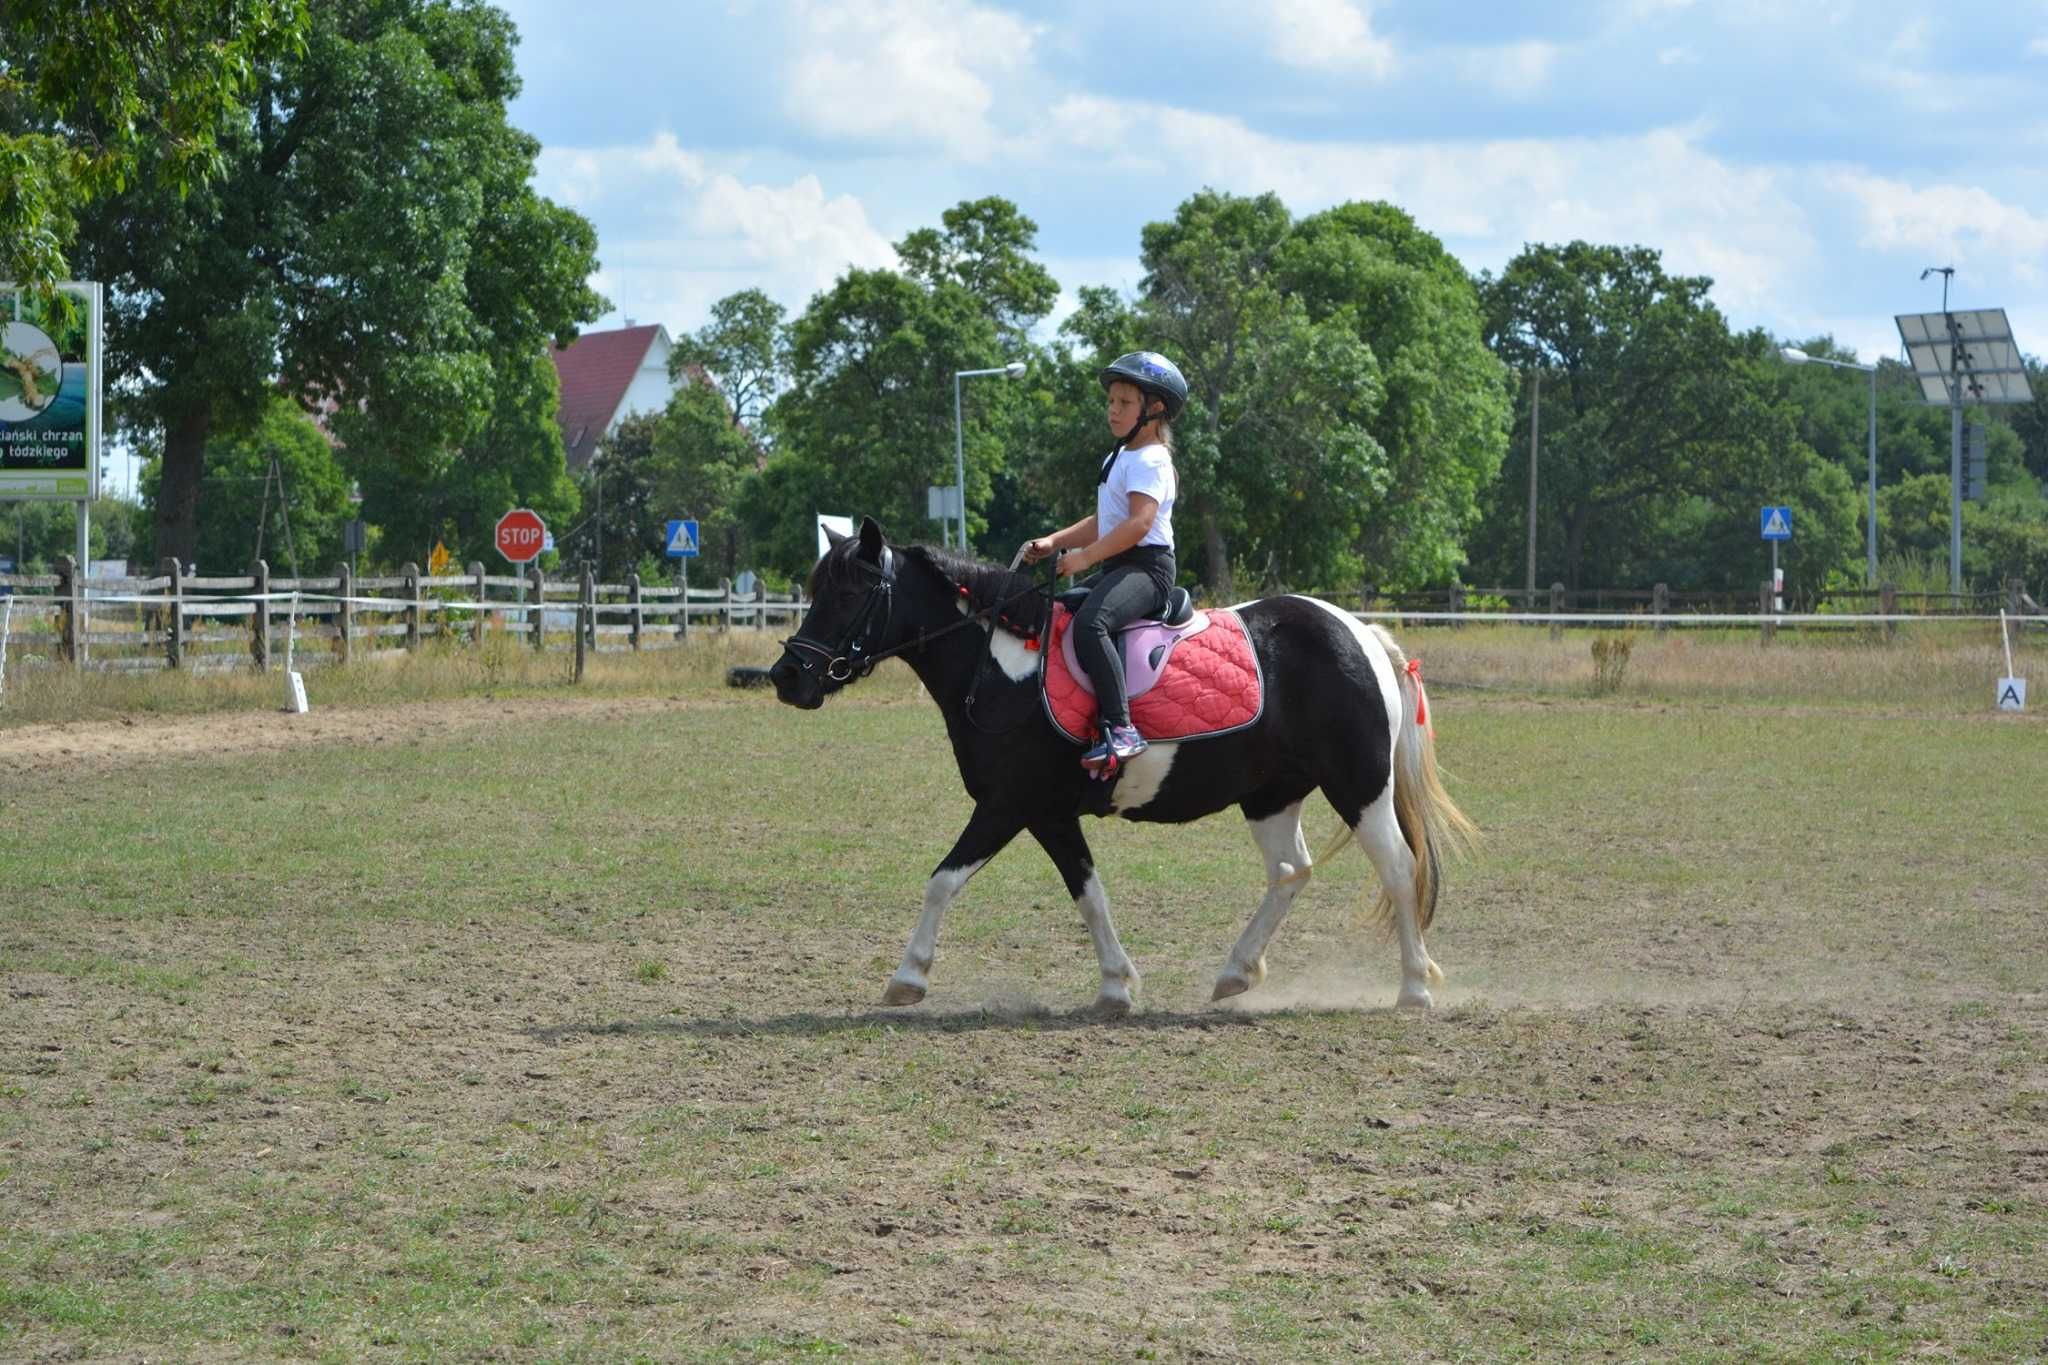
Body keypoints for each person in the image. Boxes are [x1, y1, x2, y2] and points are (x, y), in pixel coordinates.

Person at [1021, 351, 1185, 775]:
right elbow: (1104, 521)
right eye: (1111, 401)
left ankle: (1123, 728)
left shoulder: (1151, 459)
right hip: (1118, 565)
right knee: (1064, 610)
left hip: (1148, 570)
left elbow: (1138, 524)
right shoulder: (1119, 457)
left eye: (1124, 403)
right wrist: (1055, 541)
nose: (1113, 410)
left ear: (1154, 409)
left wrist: (1084, 560)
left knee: (1093, 622)